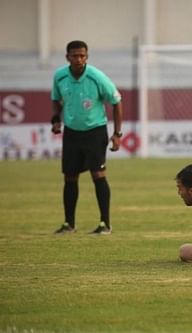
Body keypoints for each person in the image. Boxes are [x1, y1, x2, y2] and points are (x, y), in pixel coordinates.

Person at [51, 40, 123, 234]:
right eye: (75, 56)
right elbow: (56, 99)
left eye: (83, 55)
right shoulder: (59, 77)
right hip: (72, 132)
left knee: (98, 175)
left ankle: (105, 224)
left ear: (87, 57)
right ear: (68, 57)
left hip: (95, 131)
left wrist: (117, 134)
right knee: (70, 177)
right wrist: (56, 120)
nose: (79, 59)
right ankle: (69, 224)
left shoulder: (97, 77)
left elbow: (116, 101)